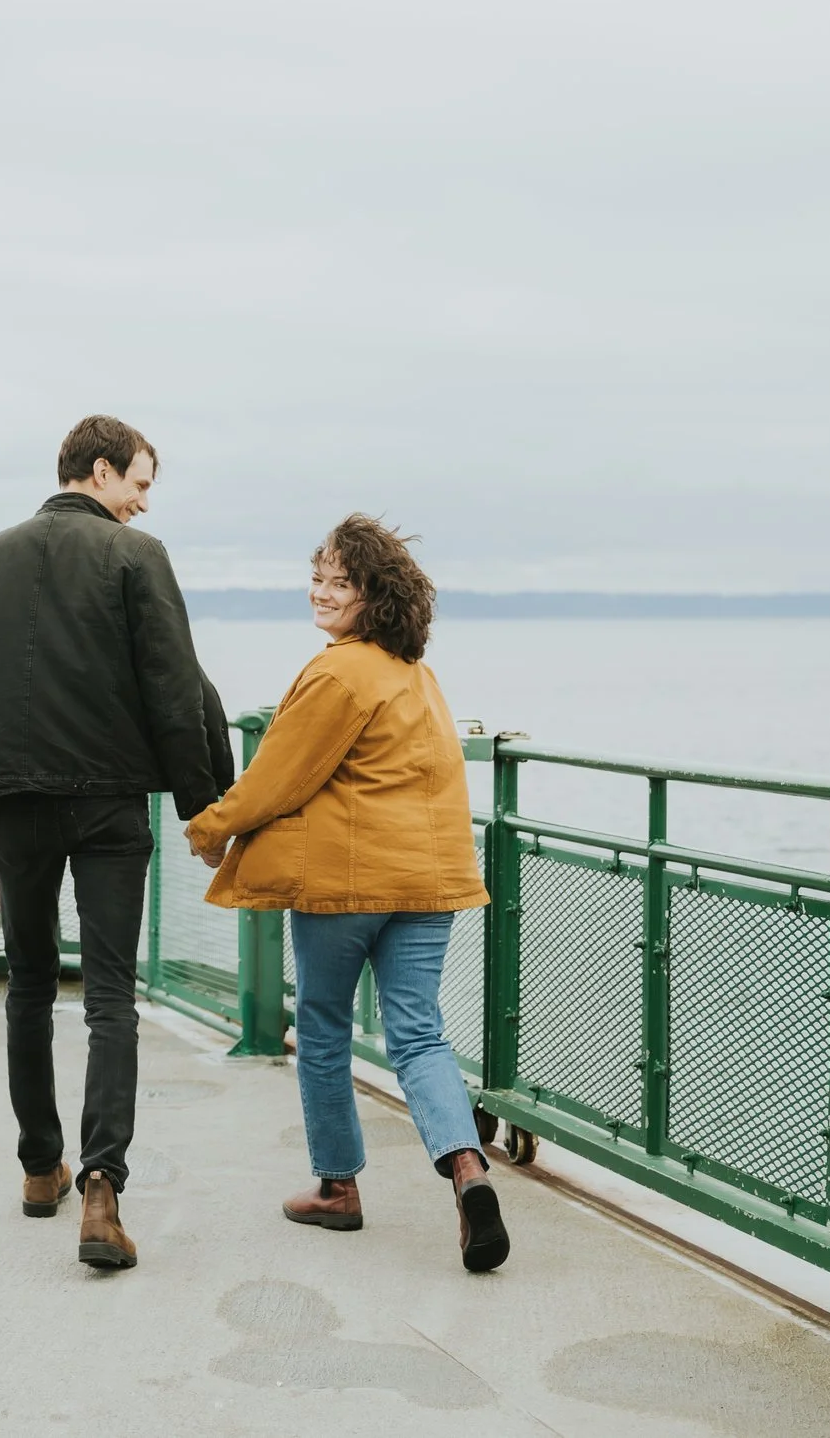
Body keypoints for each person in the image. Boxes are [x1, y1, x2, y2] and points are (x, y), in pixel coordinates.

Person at [0, 414, 231, 1271]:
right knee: (109, 996)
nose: (141, 500)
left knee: (26, 983)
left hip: (15, 803)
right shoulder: (139, 557)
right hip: (108, 804)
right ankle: (101, 1186)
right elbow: (176, 687)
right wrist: (202, 806)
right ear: (100, 470)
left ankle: (37, 1166)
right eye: (139, 481)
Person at [180, 514, 509, 1273]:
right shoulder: (416, 675)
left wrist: (210, 829)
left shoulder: (337, 671)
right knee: (419, 1033)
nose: (321, 592)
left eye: (340, 582)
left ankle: (338, 1187)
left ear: (373, 595)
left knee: (324, 1028)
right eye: (318, 577)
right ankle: (468, 1170)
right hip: (431, 881)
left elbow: (280, 775)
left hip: (349, 886)